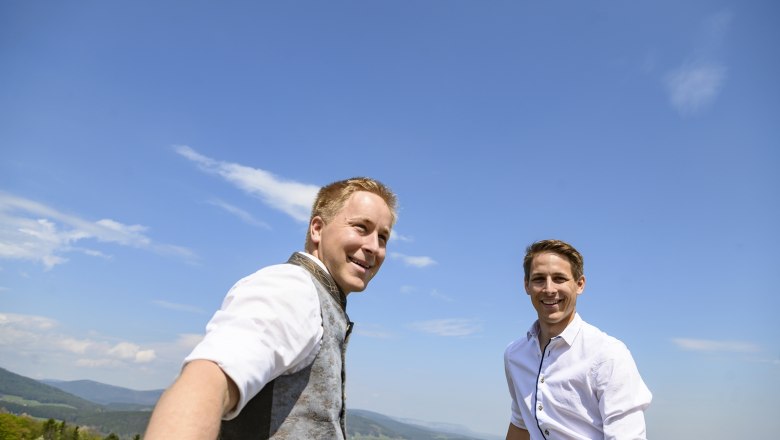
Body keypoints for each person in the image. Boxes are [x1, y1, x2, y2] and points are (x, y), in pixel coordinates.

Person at [144, 177, 397, 440]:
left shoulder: (322, 300)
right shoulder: (293, 288)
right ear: (317, 229)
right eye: (360, 227)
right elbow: (206, 382)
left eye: (383, 237)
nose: (374, 247)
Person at [504, 239, 652, 440]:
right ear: (526, 285)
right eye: (539, 279)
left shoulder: (609, 355)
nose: (549, 289)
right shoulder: (515, 355)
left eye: (559, 278)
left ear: (579, 284)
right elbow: (520, 423)